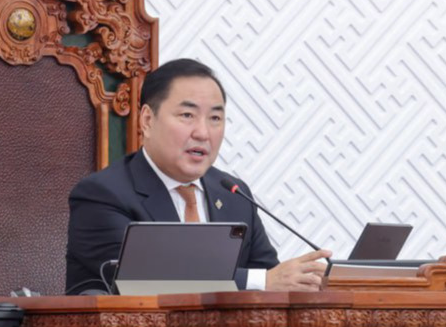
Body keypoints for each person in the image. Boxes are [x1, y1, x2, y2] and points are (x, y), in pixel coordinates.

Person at [65, 58, 331, 294]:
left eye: (215, 118)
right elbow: (145, 276)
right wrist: (261, 281)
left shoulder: (233, 194)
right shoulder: (103, 195)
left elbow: (272, 279)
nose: (203, 133)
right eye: (187, 115)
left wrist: (304, 281)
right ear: (147, 120)